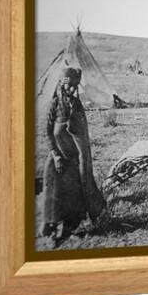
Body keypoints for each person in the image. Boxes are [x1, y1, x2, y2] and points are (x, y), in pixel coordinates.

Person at [42, 67, 106, 240]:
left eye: (74, 86)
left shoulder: (77, 105)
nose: (71, 89)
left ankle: (71, 227)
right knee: (54, 192)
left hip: (73, 161)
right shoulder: (55, 104)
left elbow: (82, 136)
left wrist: (82, 161)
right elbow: (48, 132)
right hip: (57, 159)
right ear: (62, 84)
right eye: (68, 85)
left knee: (73, 194)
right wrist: (55, 156)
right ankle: (51, 225)